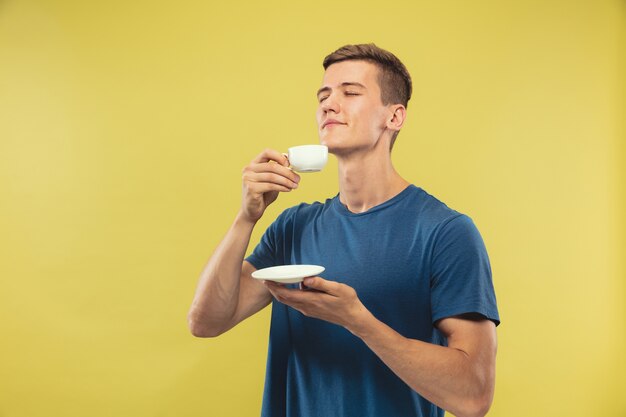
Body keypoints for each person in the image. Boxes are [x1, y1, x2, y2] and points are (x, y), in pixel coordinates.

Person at [188, 43, 500, 417]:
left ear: (394, 117)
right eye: (323, 95)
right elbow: (206, 322)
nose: (328, 104)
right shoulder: (293, 227)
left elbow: (474, 396)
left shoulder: (446, 232)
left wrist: (359, 322)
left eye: (350, 92)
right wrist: (246, 217)